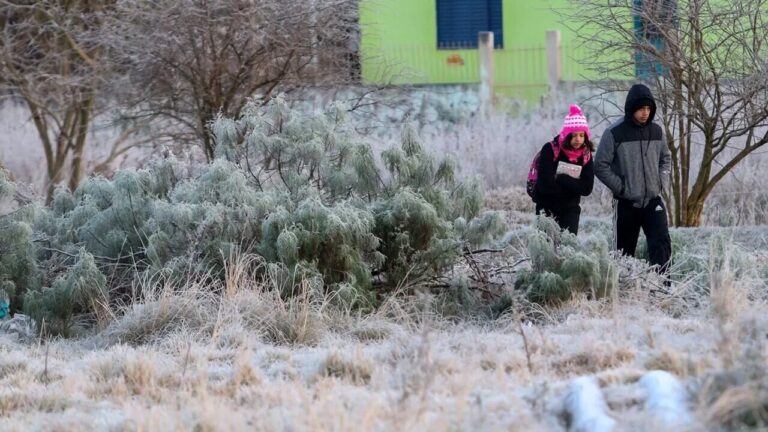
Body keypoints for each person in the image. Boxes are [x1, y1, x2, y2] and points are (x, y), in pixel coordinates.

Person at [594, 83, 672, 274]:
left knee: (661, 246)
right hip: (626, 204)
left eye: (648, 108)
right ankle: (625, 292)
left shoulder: (656, 131)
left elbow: (666, 159)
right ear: (631, 108)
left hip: (653, 202)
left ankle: (663, 289)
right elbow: (600, 165)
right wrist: (622, 188)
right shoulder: (614, 133)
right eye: (641, 108)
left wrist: (662, 183)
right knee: (623, 254)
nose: (645, 113)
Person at [534, 104, 595, 235]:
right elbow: (545, 185)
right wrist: (573, 187)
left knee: (568, 249)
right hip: (546, 209)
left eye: (581, 135)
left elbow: (587, 188)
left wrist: (562, 178)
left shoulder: (586, 155)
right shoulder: (550, 149)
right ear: (567, 135)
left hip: (570, 210)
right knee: (545, 250)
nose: (578, 139)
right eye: (574, 135)